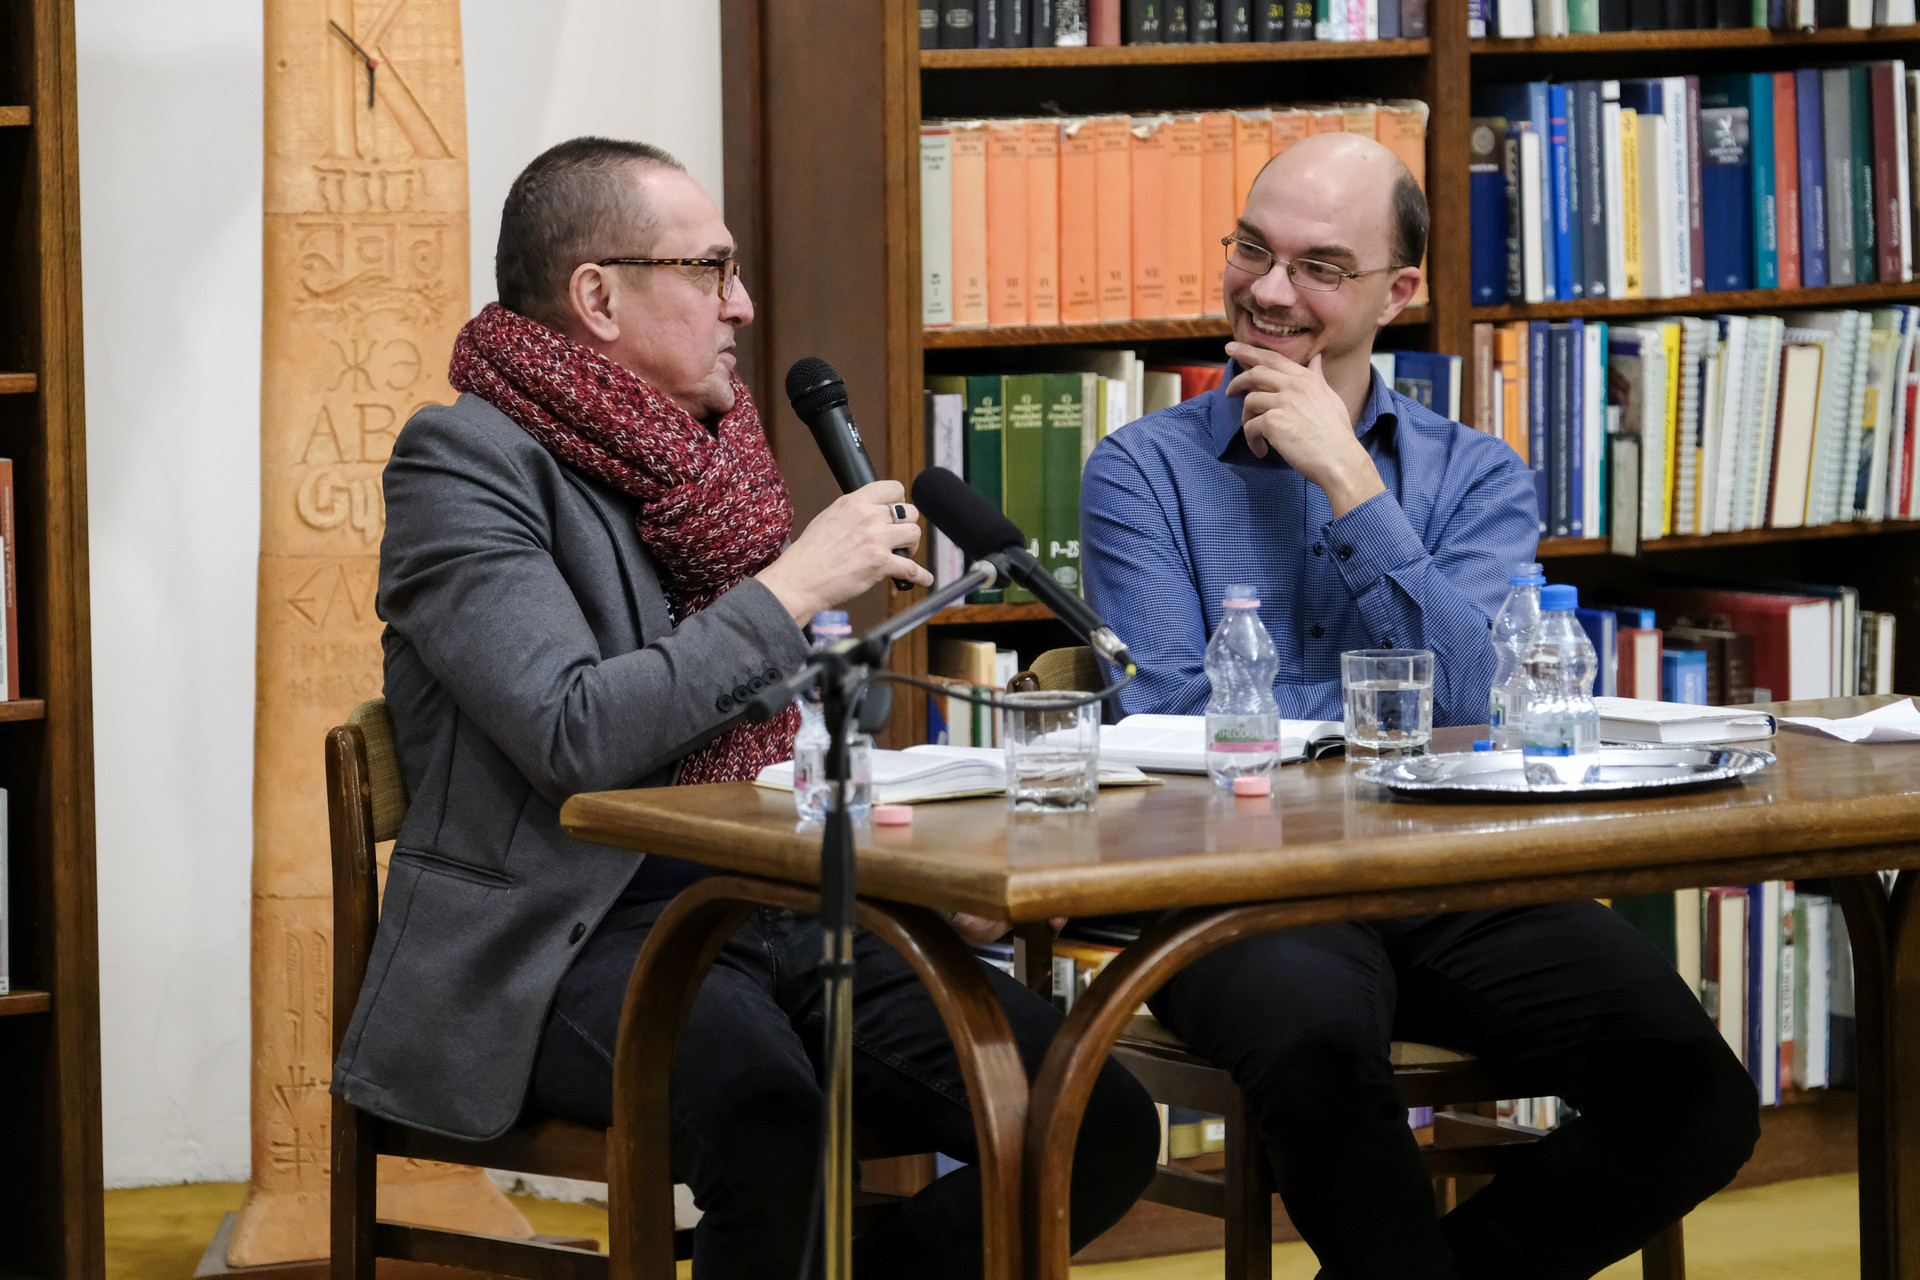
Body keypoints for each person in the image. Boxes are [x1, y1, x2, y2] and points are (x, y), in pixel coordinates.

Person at [331, 136, 1157, 1278]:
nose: (744, 304)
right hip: (572, 934)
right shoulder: (464, 465)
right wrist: (792, 589)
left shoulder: (714, 471)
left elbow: (783, 745)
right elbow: (573, 733)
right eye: (710, 270)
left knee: (1093, 1116)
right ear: (598, 297)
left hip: (775, 897)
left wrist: (910, 870)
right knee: (774, 1136)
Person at [1081, 131, 1759, 1279]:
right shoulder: (1138, 470)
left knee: (1695, 1092)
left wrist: (1351, 483)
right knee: (1318, 1054)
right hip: (1232, 889)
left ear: (1398, 292)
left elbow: (1482, 701)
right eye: (1252, 249)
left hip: (1448, 874)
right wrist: (1394, 712)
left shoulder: (1476, 473)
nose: (1270, 290)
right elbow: (1178, 715)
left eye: (1318, 267)